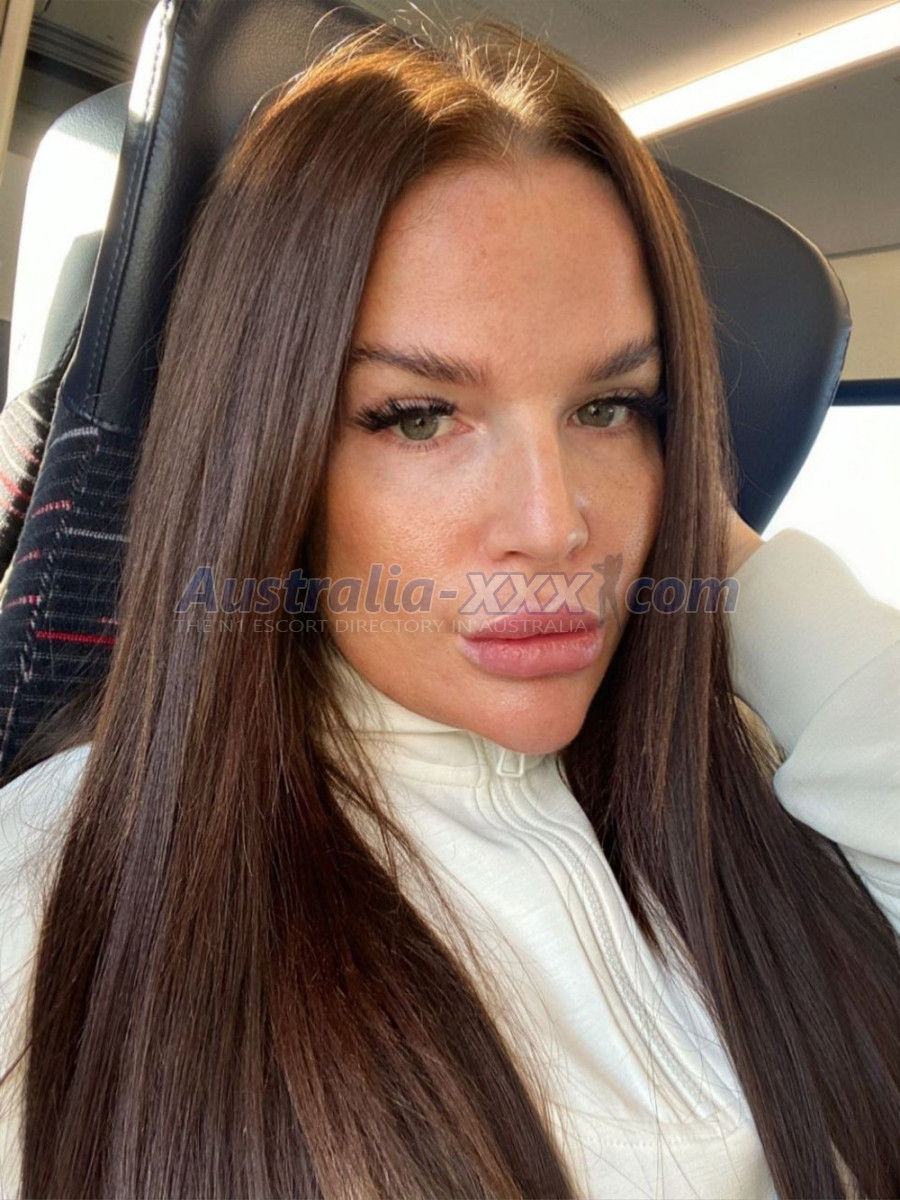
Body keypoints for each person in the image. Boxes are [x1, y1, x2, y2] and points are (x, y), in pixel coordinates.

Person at [1, 16, 898, 1199]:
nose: (555, 523)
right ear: (270, 463)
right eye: (419, 417)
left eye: (612, 407)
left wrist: (720, 557)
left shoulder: (761, 771)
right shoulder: (62, 888)